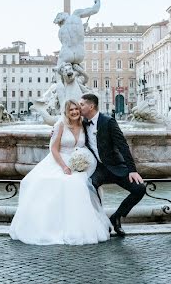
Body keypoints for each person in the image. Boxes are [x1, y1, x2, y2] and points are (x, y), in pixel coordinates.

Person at [9, 100, 111, 245]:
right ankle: (54, 227)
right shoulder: (60, 125)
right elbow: (54, 149)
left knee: (79, 183)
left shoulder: (84, 124)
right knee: (58, 182)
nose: (75, 112)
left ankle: (78, 226)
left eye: (76, 109)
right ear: (66, 112)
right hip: (59, 161)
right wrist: (63, 167)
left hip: (78, 163)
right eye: (71, 110)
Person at [79, 93, 145, 236]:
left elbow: (123, 146)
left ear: (91, 106)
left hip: (116, 166)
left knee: (139, 188)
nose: (79, 107)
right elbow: (67, 127)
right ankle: (99, 221)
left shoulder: (108, 121)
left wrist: (132, 170)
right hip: (99, 168)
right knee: (88, 187)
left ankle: (116, 218)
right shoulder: (82, 122)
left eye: (82, 104)